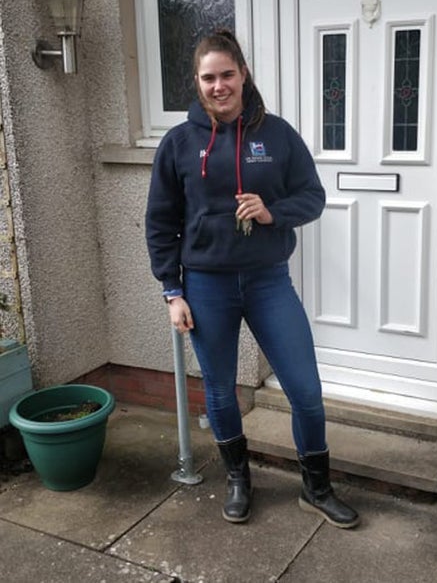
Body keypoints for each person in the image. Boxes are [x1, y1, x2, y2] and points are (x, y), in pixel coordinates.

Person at [145, 29, 359, 529]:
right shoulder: (178, 143)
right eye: (208, 78)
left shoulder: (277, 134)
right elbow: (161, 222)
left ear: (243, 74)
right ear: (196, 84)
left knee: (305, 389)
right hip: (205, 286)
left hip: (267, 281)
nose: (219, 86)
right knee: (220, 391)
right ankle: (239, 480)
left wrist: (272, 212)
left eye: (227, 75)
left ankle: (317, 488)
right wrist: (171, 291)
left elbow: (313, 197)